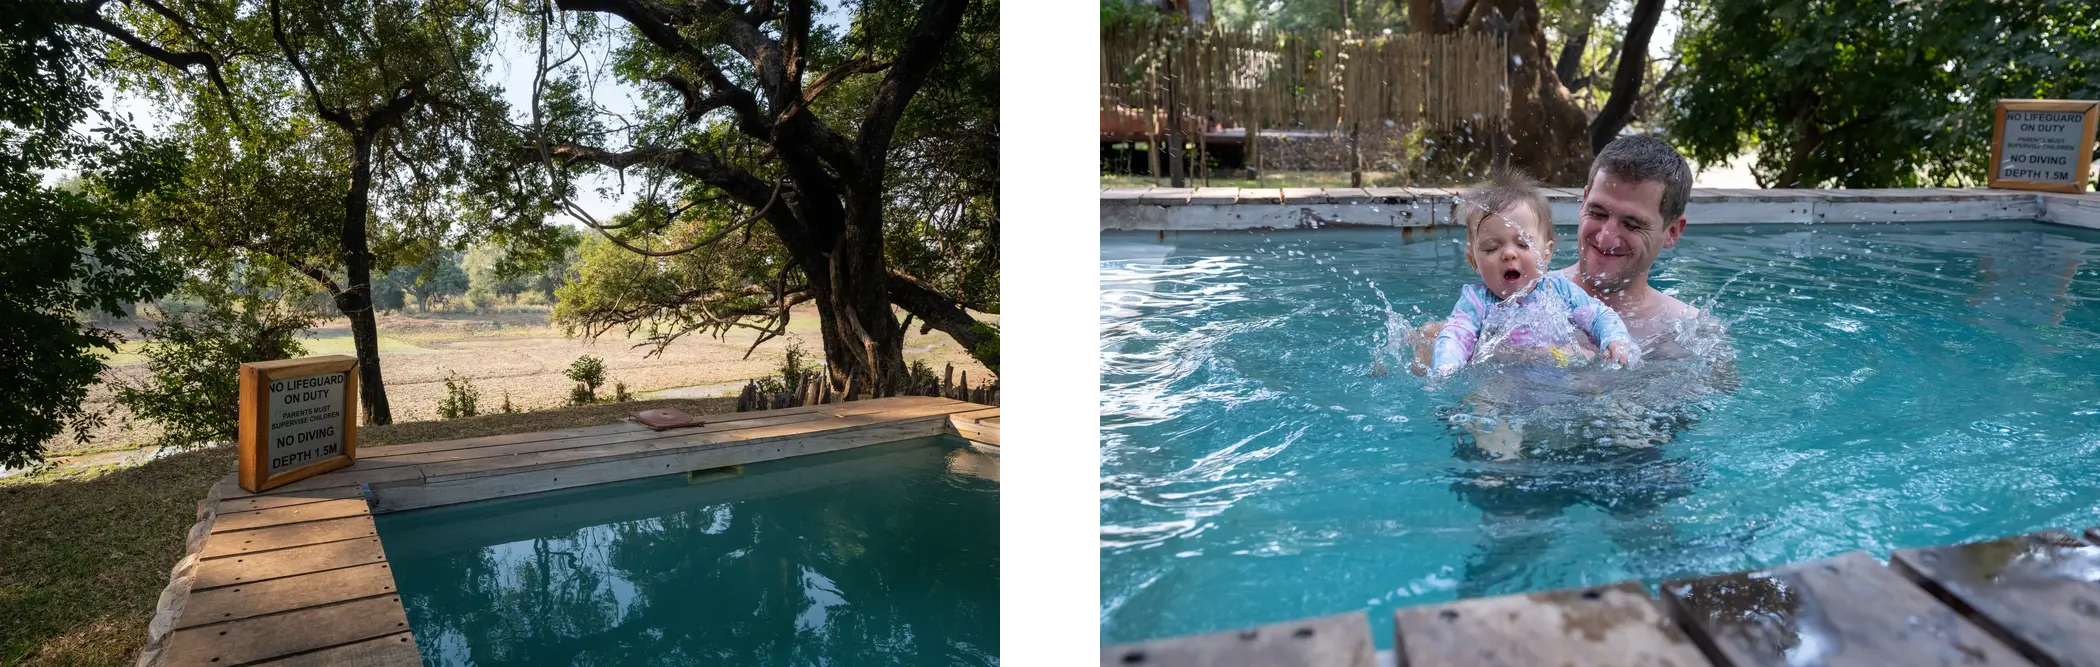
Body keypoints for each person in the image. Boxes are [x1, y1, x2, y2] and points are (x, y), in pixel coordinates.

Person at [1428, 169, 1639, 379]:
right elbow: (1456, 335)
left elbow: (1599, 316)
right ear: (1474, 261)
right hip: (1503, 385)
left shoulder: (1559, 290)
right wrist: (1446, 368)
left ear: (1546, 254)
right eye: (1491, 248)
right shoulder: (1476, 302)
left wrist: (1615, 339)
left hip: (1559, 379)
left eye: (1523, 244)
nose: (1509, 254)